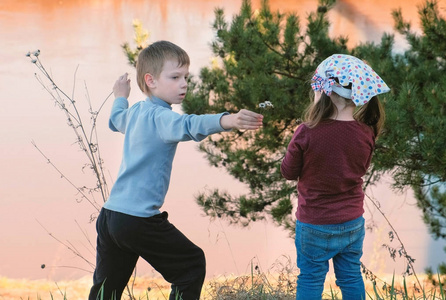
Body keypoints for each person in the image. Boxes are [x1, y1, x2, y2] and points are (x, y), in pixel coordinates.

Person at [88, 40, 264, 300]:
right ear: (151, 80)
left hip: (112, 217)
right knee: (191, 266)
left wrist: (120, 98)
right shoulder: (162, 118)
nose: (184, 84)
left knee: (107, 289)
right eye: (175, 77)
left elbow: (116, 121)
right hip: (138, 220)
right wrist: (230, 120)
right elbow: (190, 125)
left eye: (185, 77)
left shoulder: (137, 111)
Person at [280, 54, 390, 300]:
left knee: (310, 278)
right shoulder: (366, 131)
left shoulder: (306, 132)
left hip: (314, 223)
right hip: (352, 221)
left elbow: (288, 172)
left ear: (325, 91)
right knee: (350, 277)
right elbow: (358, 168)